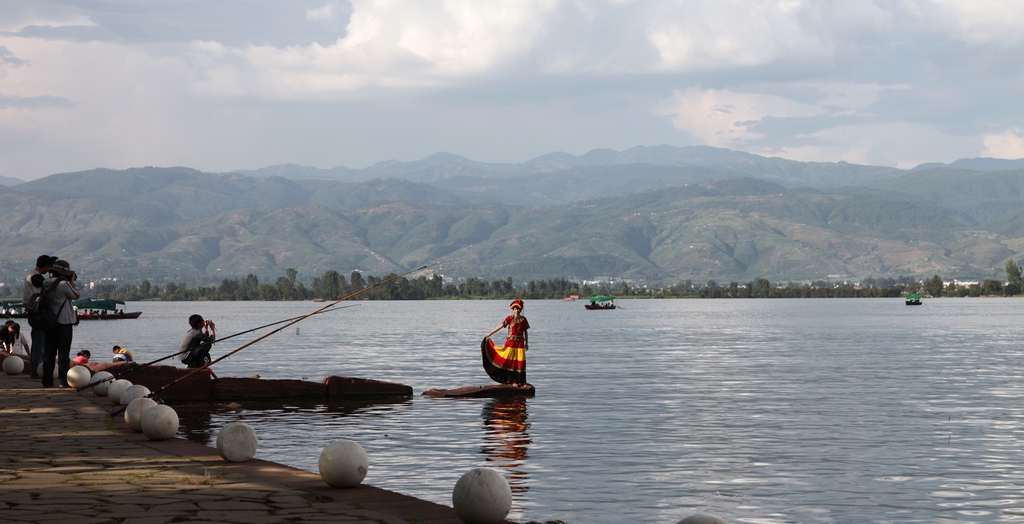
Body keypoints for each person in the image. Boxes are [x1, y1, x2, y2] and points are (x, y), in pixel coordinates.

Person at [42, 259, 79, 388]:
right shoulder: (64, 284)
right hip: (64, 322)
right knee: (63, 354)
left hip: (49, 322)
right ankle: (63, 381)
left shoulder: (45, 282)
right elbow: (76, 295)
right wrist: (73, 281)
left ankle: (47, 381)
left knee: (49, 352)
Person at [482, 298, 531, 388]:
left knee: (520, 362)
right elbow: (501, 326)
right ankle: (513, 381)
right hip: (510, 344)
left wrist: (527, 343)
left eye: (518, 309)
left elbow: (525, 332)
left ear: (521, 310)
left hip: (520, 344)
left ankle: (522, 381)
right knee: (510, 362)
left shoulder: (524, 320)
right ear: (513, 310)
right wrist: (490, 333)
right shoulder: (509, 318)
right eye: (515, 309)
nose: (516, 311)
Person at [23, 254, 56, 378]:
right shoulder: (35, 277)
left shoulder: (31, 275)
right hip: (38, 314)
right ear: (46, 265)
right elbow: (48, 287)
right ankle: (37, 370)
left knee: (38, 342)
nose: (49, 270)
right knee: (39, 343)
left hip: (35, 313)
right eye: (49, 267)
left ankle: (37, 369)